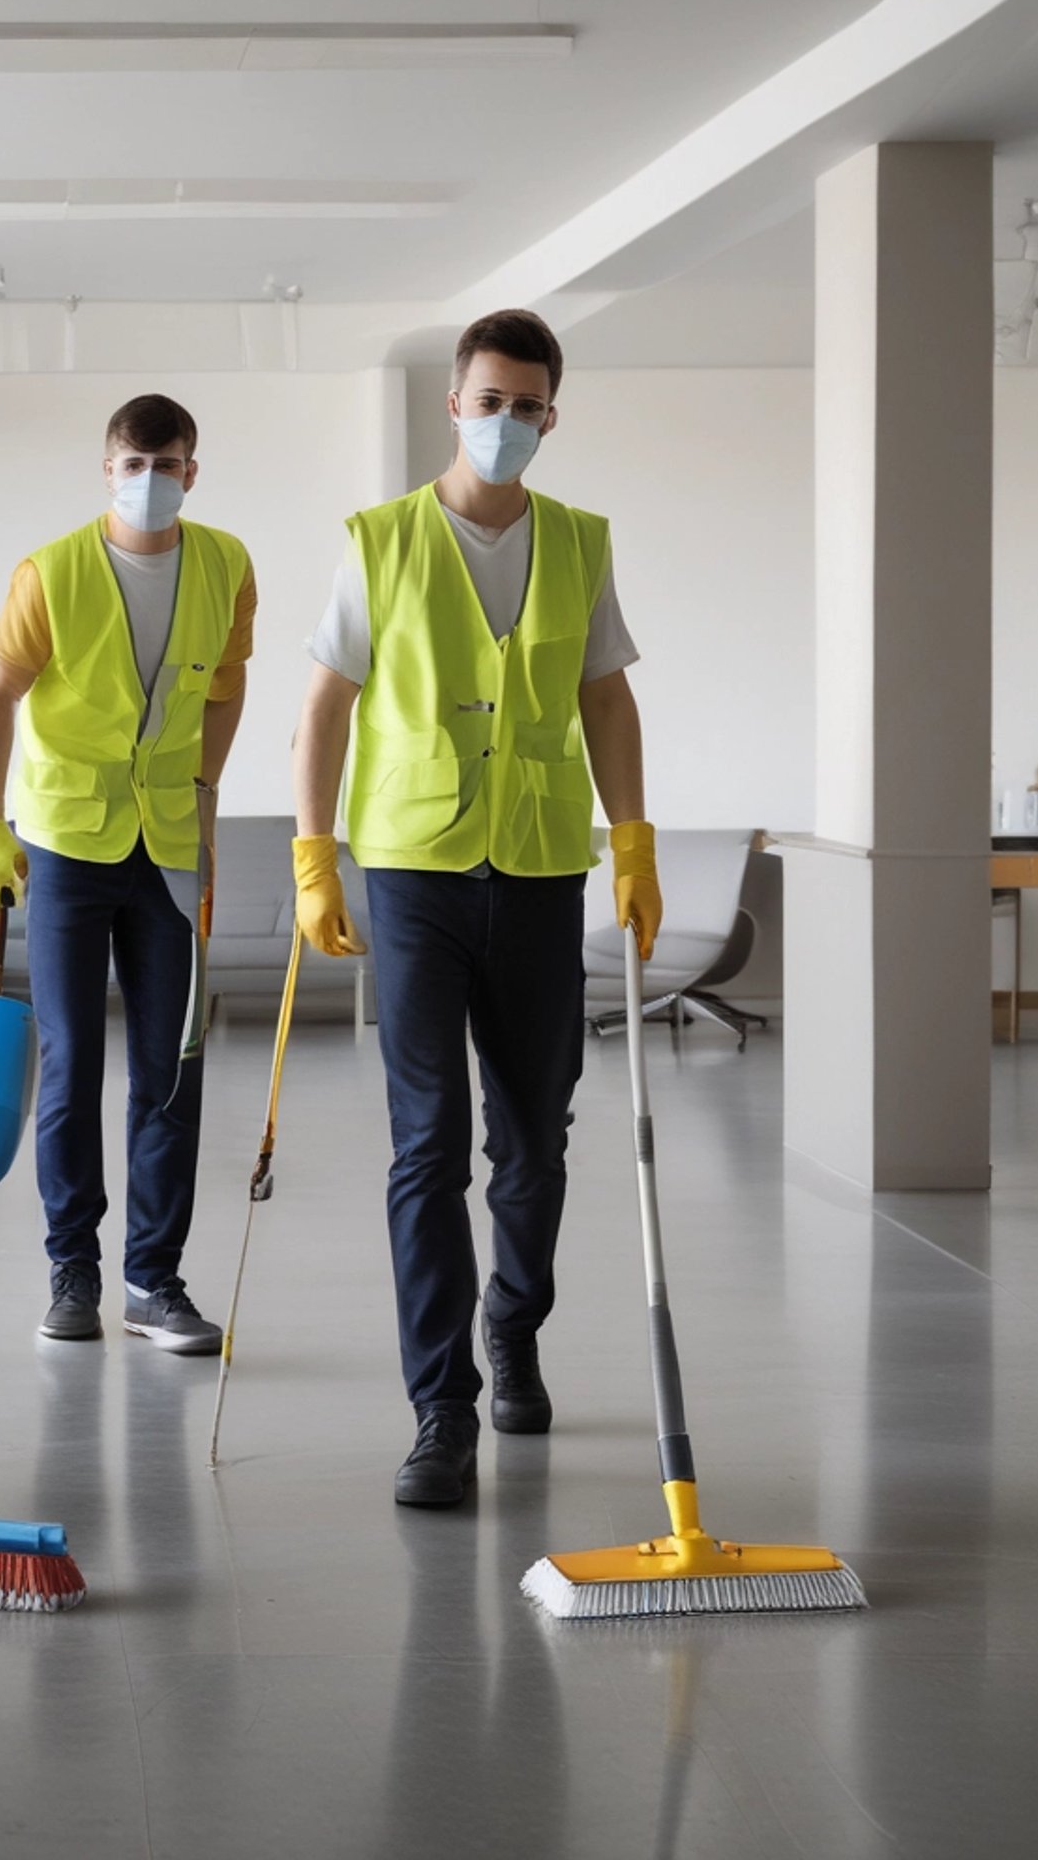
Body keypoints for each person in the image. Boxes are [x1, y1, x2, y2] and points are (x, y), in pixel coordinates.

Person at [290, 308, 660, 1506]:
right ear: (453, 404)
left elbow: (605, 699)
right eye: (487, 399)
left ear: (554, 415)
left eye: (528, 405)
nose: (505, 422)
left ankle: (514, 1322)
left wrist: (635, 838)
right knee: (428, 1141)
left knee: (535, 1141)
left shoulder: (582, 540)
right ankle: (440, 1408)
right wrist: (314, 855)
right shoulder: (383, 541)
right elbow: (326, 709)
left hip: (544, 868)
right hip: (413, 872)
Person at [0, 394, 257, 1352]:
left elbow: (227, 684)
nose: (151, 480)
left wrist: (207, 793)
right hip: (65, 841)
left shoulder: (225, 565)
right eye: (134, 464)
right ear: (107, 469)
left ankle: (153, 1281)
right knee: (71, 1065)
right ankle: (72, 1272)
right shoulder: (50, 571)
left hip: (170, 842)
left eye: (169, 463)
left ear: (192, 469)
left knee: (172, 1069)